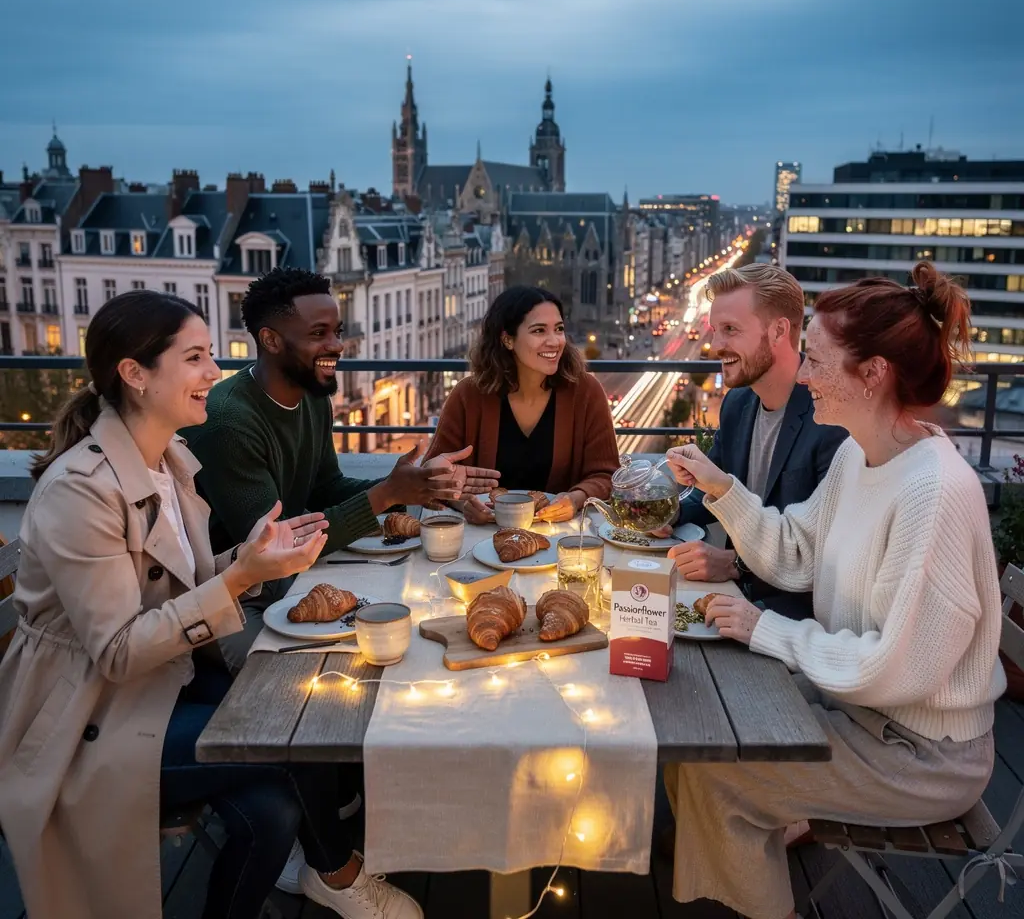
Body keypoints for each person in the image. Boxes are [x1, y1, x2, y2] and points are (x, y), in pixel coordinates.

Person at [0, 290, 423, 919]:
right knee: (291, 732)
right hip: (87, 721)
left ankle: (321, 873)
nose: (214, 374)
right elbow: (116, 652)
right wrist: (237, 579)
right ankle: (337, 873)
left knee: (275, 803)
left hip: (162, 685)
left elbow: (181, 585)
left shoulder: (170, 462)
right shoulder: (80, 493)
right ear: (135, 375)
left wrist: (250, 562)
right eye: (195, 357)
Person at [662, 263, 1005, 919]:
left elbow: (890, 668)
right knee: (702, 716)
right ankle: (757, 847)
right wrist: (721, 489)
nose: (805, 375)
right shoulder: (861, 455)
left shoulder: (933, 492)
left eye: (816, 359)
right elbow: (796, 556)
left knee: (709, 767)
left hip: (921, 756)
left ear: (871, 374)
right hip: (863, 714)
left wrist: (765, 630)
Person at [183, 267, 499, 672]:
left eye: (337, 331)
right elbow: (273, 547)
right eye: (319, 334)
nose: (338, 344)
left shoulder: (313, 397)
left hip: (293, 584)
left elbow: (327, 487)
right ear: (270, 340)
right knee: (316, 679)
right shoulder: (229, 422)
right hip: (234, 601)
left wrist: (417, 488)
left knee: (408, 642)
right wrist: (388, 493)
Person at [669, 264, 846, 620]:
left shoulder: (831, 421)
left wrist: (735, 565)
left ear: (779, 330)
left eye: (730, 330)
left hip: (793, 618)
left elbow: (827, 556)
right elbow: (716, 491)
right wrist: (667, 514)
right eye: (714, 331)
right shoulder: (738, 403)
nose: (716, 346)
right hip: (734, 602)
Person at [425, 285, 619, 524]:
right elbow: (432, 478)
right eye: (539, 331)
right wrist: (463, 503)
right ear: (507, 339)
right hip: (479, 541)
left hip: (559, 539)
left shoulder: (586, 391)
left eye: (559, 329)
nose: (555, 341)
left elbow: (606, 475)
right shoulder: (469, 395)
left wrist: (576, 499)